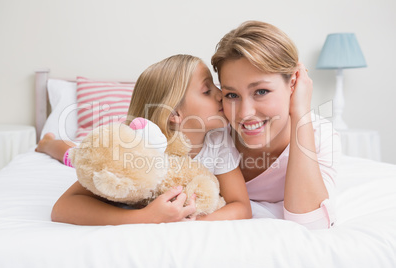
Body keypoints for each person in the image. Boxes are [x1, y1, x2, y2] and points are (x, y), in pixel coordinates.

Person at [37, 54, 252, 225]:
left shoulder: (218, 140)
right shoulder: (136, 147)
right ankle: (48, 143)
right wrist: (145, 217)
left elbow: (241, 205)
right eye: (207, 90)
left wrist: (194, 221)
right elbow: (62, 208)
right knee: (74, 155)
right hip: (106, 151)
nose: (220, 94)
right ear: (174, 114)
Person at [211, 21, 341, 229]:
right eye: (232, 95)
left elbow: (311, 223)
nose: (245, 113)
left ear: (293, 83)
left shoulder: (319, 135)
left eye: (261, 91)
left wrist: (301, 112)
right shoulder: (213, 134)